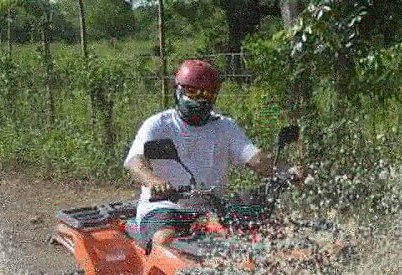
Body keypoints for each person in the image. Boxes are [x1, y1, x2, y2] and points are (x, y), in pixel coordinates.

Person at [124, 59, 301, 247]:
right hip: (163, 206)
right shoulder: (159, 124)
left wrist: (287, 169)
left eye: (206, 94)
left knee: (261, 233)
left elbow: (255, 158)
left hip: (211, 207)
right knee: (165, 238)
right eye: (192, 93)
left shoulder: (225, 126)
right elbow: (135, 162)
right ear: (178, 91)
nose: (199, 99)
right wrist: (153, 181)